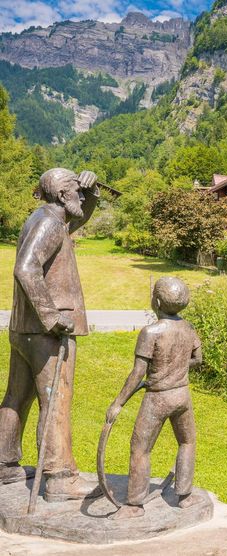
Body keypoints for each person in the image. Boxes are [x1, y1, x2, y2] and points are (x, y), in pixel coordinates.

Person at [0, 168, 100, 501]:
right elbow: (26, 268)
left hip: (24, 329)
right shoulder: (51, 224)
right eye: (77, 191)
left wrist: (94, 190)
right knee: (56, 399)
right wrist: (51, 315)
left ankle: (4, 463)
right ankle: (60, 478)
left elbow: (78, 217)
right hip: (46, 332)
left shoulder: (45, 217)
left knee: (17, 397)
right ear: (61, 194)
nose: (81, 197)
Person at [106, 277, 202, 519]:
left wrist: (118, 402)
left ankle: (134, 505)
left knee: (140, 448)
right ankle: (185, 496)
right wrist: (178, 367)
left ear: (156, 301)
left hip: (157, 399)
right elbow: (198, 360)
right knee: (187, 442)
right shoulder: (189, 328)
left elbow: (138, 372)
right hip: (182, 395)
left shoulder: (151, 332)